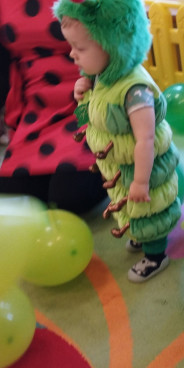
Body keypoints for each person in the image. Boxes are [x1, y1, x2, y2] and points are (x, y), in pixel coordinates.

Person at [53, 0, 181, 282]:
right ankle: (138, 231)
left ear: (114, 45)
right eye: (71, 46)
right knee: (128, 204)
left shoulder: (135, 91)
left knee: (148, 209)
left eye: (80, 48)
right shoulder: (103, 75)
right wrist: (84, 90)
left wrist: (141, 181)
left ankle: (156, 255)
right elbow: (98, 111)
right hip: (120, 164)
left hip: (143, 168)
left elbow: (146, 138)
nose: (72, 54)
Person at [0, 0, 107, 213]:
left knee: (70, 196)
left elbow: (124, 40)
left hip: (91, 104)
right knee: (14, 190)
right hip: (36, 114)